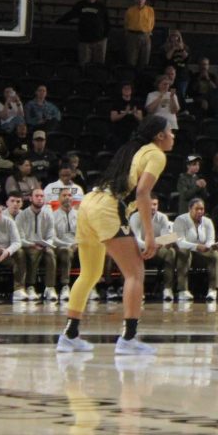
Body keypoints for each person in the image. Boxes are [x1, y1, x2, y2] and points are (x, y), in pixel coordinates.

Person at [56, 115, 172, 355]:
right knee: (135, 273)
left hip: (90, 202)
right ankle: (128, 339)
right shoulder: (156, 154)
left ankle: (69, 335)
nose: (174, 136)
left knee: (90, 273)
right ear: (159, 135)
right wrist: (150, 236)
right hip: (108, 207)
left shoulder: (133, 150)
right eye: (170, 131)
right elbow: (142, 193)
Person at [171, 198, 218, 302]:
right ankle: (182, 290)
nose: (200, 212)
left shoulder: (208, 221)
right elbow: (180, 242)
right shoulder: (180, 220)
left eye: (202, 209)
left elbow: (210, 239)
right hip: (186, 251)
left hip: (201, 252)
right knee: (183, 251)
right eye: (197, 209)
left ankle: (212, 289)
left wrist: (211, 246)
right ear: (190, 209)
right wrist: (196, 246)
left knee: (214, 254)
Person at [14, 188, 59, 301]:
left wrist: (47, 244)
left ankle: (49, 287)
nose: (39, 198)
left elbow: (51, 236)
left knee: (50, 253)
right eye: (37, 196)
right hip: (27, 246)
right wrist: (31, 244)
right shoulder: (22, 215)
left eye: (41, 196)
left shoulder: (48, 215)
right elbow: (19, 238)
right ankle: (30, 286)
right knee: (34, 252)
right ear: (30, 198)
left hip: (43, 246)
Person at [129, 194, 176, 300]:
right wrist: (152, 244)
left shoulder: (163, 217)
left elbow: (166, 238)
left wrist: (157, 244)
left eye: (155, 204)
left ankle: (167, 289)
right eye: (149, 204)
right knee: (132, 252)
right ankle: (138, 290)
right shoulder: (135, 217)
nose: (152, 207)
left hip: (156, 250)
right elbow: (136, 240)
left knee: (170, 252)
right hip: (139, 250)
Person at [56, 0, 110, 66]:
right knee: (84, 64)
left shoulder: (101, 6)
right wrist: (58, 21)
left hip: (99, 40)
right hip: (84, 40)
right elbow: (70, 15)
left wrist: (105, 36)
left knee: (99, 64)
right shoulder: (80, 5)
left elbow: (107, 21)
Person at [52, 188, 78, 301]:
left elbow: (85, 234)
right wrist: (68, 244)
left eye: (69, 195)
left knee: (90, 249)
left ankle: (92, 287)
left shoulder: (79, 215)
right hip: (61, 247)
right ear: (59, 199)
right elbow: (52, 238)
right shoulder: (53, 216)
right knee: (66, 251)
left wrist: (77, 243)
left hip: (77, 245)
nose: (67, 197)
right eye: (64, 195)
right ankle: (65, 286)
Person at [124, 0, 155, 68]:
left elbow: (152, 23)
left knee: (145, 58)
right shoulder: (130, 10)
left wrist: (148, 32)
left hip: (145, 35)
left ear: (145, 0)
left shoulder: (150, 10)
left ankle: (142, 76)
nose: (140, 0)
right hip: (132, 35)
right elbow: (126, 23)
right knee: (131, 59)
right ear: (135, 0)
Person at [108, 83, 144, 148]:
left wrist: (135, 114)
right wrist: (125, 113)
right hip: (120, 130)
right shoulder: (117, 102)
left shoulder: (136, 102)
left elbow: (141, 119)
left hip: (133, 130)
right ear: (121, 90)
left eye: (129, 88)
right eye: (125, 88)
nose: (127, 90)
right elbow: (113, 118)